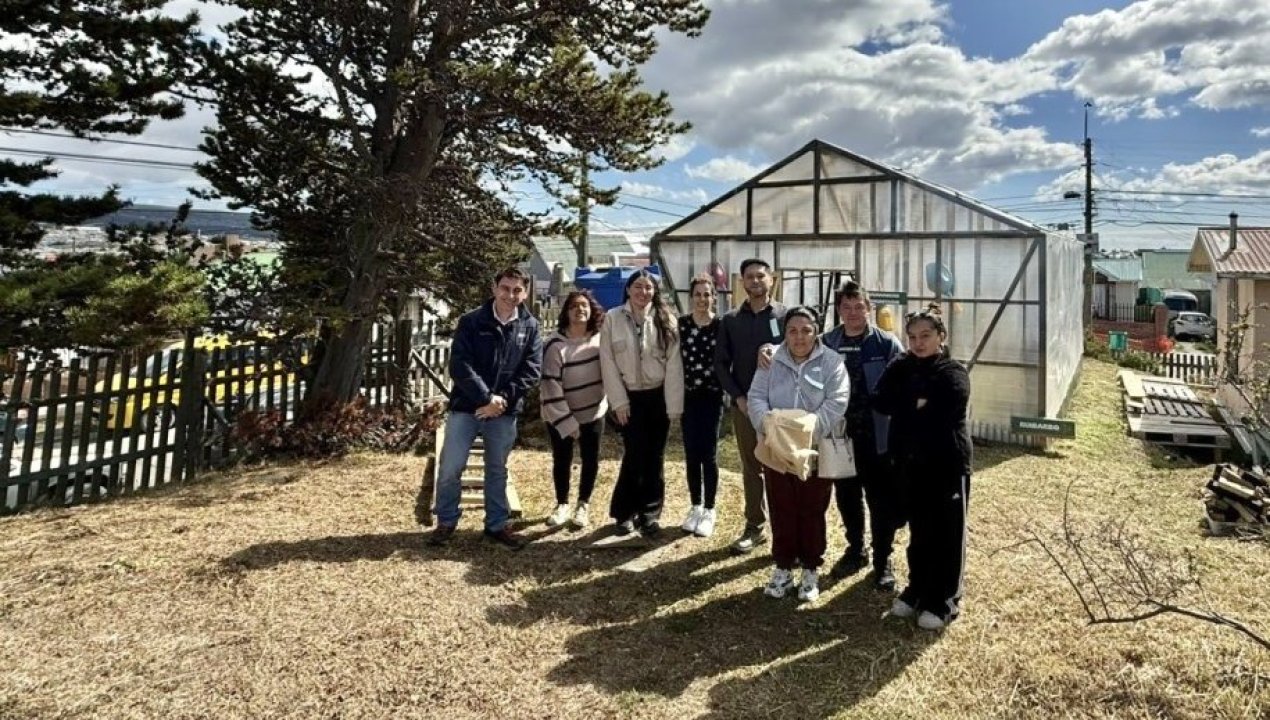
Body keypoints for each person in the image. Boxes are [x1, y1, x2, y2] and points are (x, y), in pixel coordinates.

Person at [429, 267, 543, 550]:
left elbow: (531, 370)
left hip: (503, 411)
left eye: (517, 290)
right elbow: (459, 364)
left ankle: (496, 525)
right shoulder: (471, 321)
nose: (510, 295)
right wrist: (485, 398)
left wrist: (501, 399)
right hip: (466, 407)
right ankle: (446, 521)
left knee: (497, 469)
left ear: (525, 293)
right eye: (505, 288)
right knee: (451, 466)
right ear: (494, 288)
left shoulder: (530, 326)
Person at [874, 304, 972, 630]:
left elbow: (943, 409)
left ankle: (944, 600)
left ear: (941, 336)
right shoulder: (901, 365)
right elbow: (880, 400)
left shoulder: (953, 371)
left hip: (946, 466)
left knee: (947, 533)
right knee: (919, 532)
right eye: (913, 337)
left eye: (926, 335)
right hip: (910, 465)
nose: (918, 343)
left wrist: (911, 404)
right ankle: (917, 588)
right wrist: (914, 402)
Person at [747, 306, 849, 602]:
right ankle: (783, 566)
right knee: (781, 507)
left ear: (816, 332)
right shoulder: (770, 359)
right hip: (776, 449)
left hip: (813, 450)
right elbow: (756, 396)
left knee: (812, 508)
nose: (799, 337)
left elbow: (837, 401)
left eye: (806, 330)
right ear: (785, 333)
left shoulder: (831, 361)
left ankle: (810, 568)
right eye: (792, 330)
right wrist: (769, 427)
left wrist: (805, 432)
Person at [820, 281, 904, 589]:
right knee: (847, 496)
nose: (853, 313)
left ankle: (883, 560)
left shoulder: (886, 344)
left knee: (880, 500)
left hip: (877, 437)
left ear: (869, 309)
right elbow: (795, 353)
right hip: (840, 436)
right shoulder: (827, 342)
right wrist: (767, 350)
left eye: (859, 307)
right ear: (839, 310)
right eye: (847, 307)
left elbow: (904, 381)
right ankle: (856, 549)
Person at [600, 269, 684, 537]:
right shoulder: (613, 318)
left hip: (658, 396)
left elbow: (674, 365)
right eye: (637, 286)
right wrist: (618, 401)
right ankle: (624, 512)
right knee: (634, 454)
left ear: (655, 291)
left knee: (655, 456)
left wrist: (673, 406)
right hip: (629, 397)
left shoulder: (666, 319)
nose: (643, 292)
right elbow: (607, 362)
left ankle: (650, 513)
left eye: (648, 287)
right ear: (628, 289)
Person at [715, 258, 787, 554]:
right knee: (752, 466)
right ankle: (755, 525)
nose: (755, 281)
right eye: (750, 277)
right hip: (745, 406)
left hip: (782, 406)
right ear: (742, 281)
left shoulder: (785, 315)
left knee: (784, 465)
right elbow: (721, 364)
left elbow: (802, 350)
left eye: (760, 276)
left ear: (771, 279)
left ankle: (784, 528)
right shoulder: (731, 320)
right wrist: (738, 397)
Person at [540, 290, 608, 530]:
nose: (580, 310)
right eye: (574, 306)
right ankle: (562, 504)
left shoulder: (600, 339)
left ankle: (583, 504)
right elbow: (550, 386)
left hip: (594, 413)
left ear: (592, 310)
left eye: (584, 305)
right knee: (562, 459)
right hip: (560, 414)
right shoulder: (555, 345)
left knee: (591, 459)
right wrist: (568, 423)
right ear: (566, 312)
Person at [679, 274, 724, 537]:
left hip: (712, 396)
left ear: (713, 297)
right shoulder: (682, 325)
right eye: (697, 294)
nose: (702, 299)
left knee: (708, 453)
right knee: (691, 453)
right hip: (688, 397)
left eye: (707, 294)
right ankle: (695, 504)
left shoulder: (721, 325)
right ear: (691, 297)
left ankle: (709, 508)